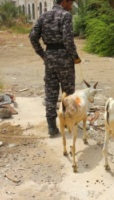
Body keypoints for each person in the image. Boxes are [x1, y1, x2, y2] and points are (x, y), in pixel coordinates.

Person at [29, 0, 81, 136]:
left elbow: (33, 36)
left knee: (51, 92)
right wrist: (75, 56)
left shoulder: (43, 16)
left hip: (50, 57)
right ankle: (68, 122)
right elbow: (68, 39)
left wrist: (42, 54)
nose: (71, 7)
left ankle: (51, 126)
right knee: (68, 92)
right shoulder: (65, 15)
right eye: (70, 3)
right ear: (64, 2)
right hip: (64, 57)